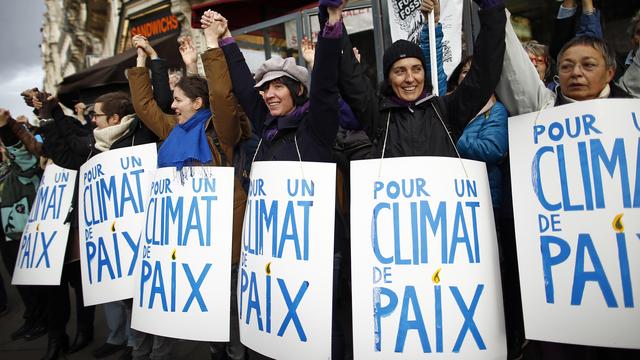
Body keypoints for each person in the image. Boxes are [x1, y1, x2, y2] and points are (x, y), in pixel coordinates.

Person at [216, 0, 344, 357]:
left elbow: (326, 87)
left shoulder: (316, 128)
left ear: (297, 91)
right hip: (278, 252)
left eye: (278, 87)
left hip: (320, 252)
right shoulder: (267, 128)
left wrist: (332, 26)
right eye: (266, 89)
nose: (268, 95)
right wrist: (227, 39)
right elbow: (244, 89)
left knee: (323, 328)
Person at [129, 23, 253, 358]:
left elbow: (223, 98)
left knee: (229, 310)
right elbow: (144, 106)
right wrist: (141, 60)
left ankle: (235, 351)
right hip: (189, 241)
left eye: (179, 100)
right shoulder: (173, 129)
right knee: (206, 311)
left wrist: (211, 46)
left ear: (197, 103)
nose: (172, 107)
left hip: (225, 239)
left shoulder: (220, 130)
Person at [332, 0, 505, 159]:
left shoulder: (446, 111)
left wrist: (492, 11)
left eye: (417, 69)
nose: (410, 78)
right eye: (400, 71)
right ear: (388, 78)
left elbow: (484, 73)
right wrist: (333, 17)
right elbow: (350, 79)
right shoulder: (377, 115)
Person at [0, 109, 48, 344]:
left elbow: (22, 156)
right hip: (7, 238)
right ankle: (32, 317)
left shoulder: (22, 170)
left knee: (35, 284)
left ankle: (44, 322)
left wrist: (6, 129)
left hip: (26, 234)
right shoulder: (2, 173)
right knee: (20, 282)